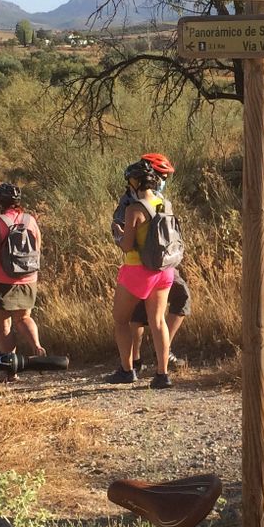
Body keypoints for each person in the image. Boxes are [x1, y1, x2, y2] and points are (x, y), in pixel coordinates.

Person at [108, 156, 176, 388]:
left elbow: (127, 245)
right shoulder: (164, 203)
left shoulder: (134, 209)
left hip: (137, 270)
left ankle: (127, 370)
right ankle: (162, 374)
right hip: (164, 269)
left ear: (136, 182)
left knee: (120, 320)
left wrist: (118, 233)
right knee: (158, 321)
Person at [0, 181, 45, 359]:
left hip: (2, 281)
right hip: (28, 278)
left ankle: (11, 371)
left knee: (3, 326)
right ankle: (38, 347)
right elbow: (37, 249)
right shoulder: (30, 220)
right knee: (24, 318)